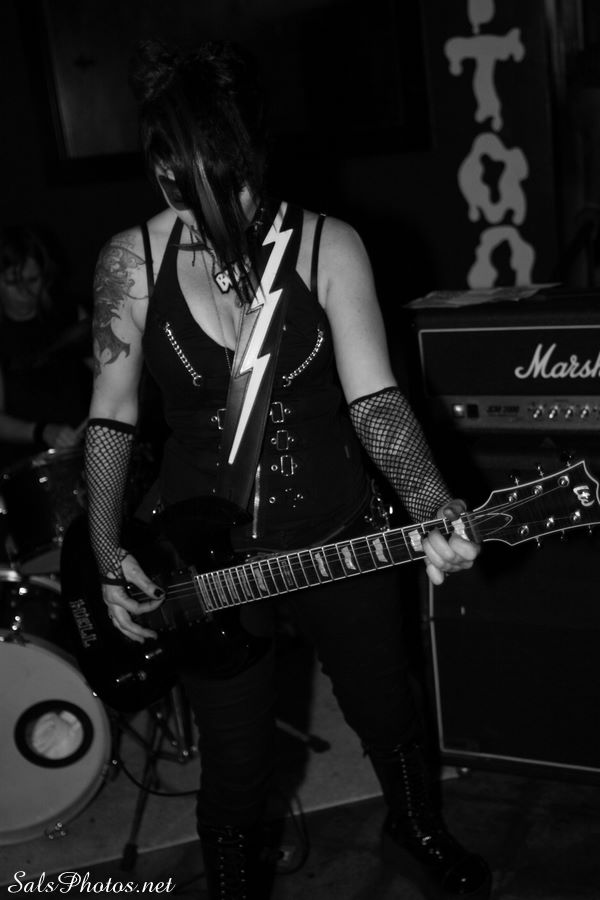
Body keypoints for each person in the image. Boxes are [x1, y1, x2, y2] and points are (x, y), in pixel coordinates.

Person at [84, 40, 491, 900]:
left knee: (388, 709)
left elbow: (374, 398)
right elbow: (113, 411)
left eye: (230, 189)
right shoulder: (128, 264)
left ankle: (416, 828)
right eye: (186, 194)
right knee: (236, 760)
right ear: (159, 172)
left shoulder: (328, 246)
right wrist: (104, 546)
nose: (215, 217)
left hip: (338, 531)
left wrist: (432, 504)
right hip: (206, 559)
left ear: (254, 161)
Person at [0, 226, 91, 468]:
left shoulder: (70, 315)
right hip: (24, 464)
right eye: (13, 282)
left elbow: (109, 375)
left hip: (84, 453)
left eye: (33, 280)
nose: (26, 292)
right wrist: (42, 431)